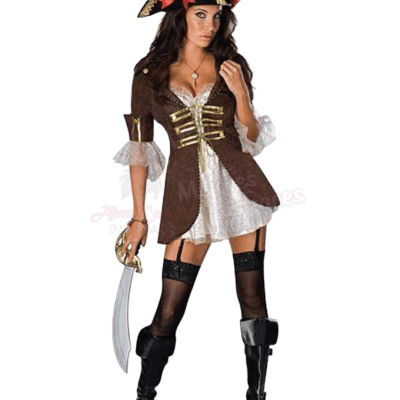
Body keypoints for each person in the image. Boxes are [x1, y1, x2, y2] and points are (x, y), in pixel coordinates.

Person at [113, 1, 280, 399]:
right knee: (169, 308)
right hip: (187, 197)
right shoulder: (149, 74)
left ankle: (257, 395)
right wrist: (138, 218)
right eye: (200, 14)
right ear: (181, 16)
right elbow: (140, 150)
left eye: (216, 16)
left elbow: (252, 137)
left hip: (242, 190)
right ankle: (145, 392)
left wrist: (241, 95)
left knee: (253, 297)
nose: (210, 25)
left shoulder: (232, 65)